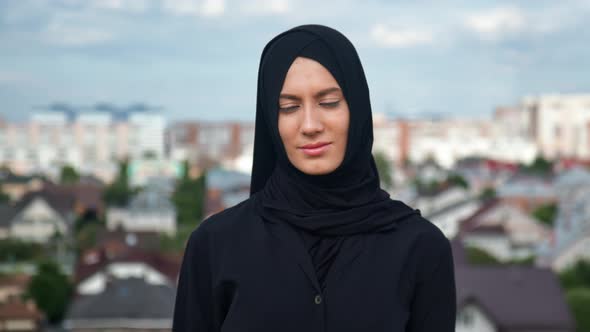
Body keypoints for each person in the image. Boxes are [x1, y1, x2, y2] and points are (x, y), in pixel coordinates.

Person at [173, 24, 456, 332]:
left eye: (328, 102)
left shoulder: (421, 248)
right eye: (289, 107)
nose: (310, 125)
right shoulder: (216, 245)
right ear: (271, 119)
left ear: (357, 107)